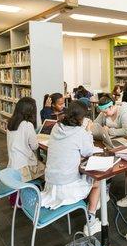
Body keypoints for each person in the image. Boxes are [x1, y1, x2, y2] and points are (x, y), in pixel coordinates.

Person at [40, 101, 103, 235]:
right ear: (82, 118)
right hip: (66, 188)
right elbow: (88, 151)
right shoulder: (79, 132)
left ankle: (90, 207)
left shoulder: (57, 127)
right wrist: (88, 131)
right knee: (98, 182)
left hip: (50, 184)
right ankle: (91, 220)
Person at [6, 97, 46, 182]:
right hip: (24, 166)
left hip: (13, 164)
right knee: (46, 170)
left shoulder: (11, 122)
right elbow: (35, 146)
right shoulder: (27, 125)